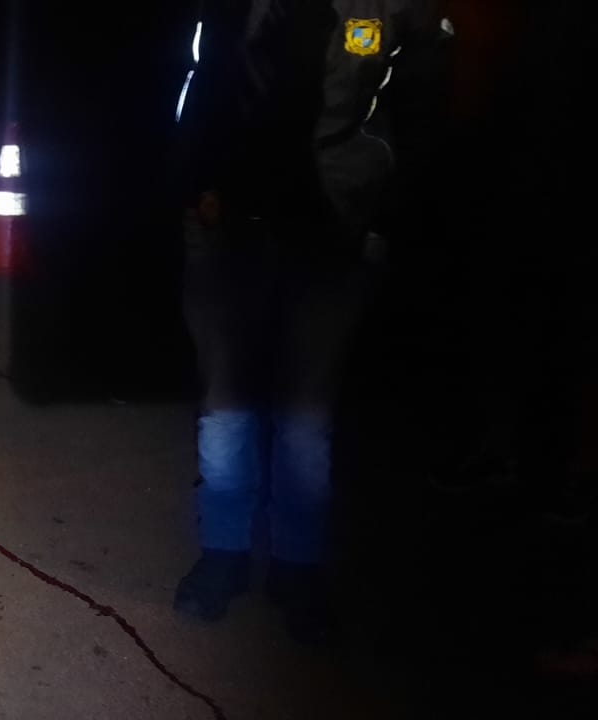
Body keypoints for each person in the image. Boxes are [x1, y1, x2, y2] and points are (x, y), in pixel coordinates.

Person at [169, 0, 453, 643]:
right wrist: (194, 185)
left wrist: (382, 216)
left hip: (336, 235)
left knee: (305, 418)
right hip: (230, 226)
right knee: (225, 407)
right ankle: (224, 555)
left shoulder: (397, 8)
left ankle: (298, 567)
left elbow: (425, 116)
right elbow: (197, 78)